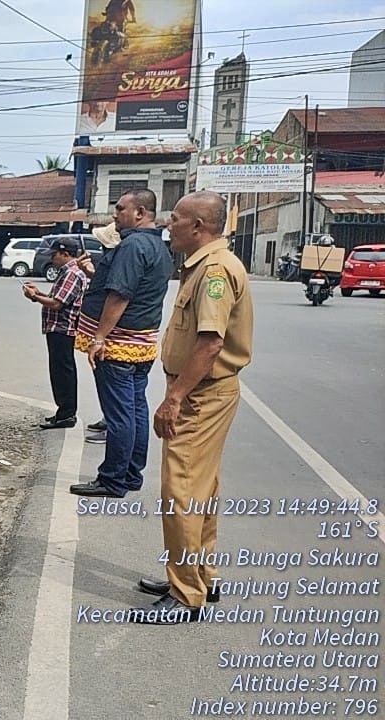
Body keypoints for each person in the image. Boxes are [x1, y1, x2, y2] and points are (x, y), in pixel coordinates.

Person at [132, 191, 252, 624]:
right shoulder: (204, 266)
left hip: (201, 394)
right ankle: (200, 574)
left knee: (180, 490)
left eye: (177, 218)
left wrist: (175, 397)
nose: (169, 224)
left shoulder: (215, 271)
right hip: (207, 390)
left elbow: (210, 342)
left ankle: (186, 595)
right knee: (201, 489)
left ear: (198, 227)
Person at [70, 189, 172, 498]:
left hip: (119, 344)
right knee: (136, 408)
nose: (115, 215)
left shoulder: (133, 246)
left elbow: (120, 294)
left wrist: (98, 338)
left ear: (140, 213)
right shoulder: (158, 247)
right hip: (142, 343)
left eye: (121, 209)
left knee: (119, 415)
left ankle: (112, 478)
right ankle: (130, 474)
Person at [22, 237, 88, 429]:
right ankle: (63, 412)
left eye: (54, 255)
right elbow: (55, 298)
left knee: (63, 371)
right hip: (58, 328)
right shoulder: (68, 272)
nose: (52, 259)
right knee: (59, 371)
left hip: (63, 328)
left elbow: (58, 304)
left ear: (65, 254)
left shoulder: (72, 274)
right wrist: (38, 295)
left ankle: (67, 413)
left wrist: (36, 297)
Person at [78, 222, 122, 443]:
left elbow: (115, 297)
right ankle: (108, 421)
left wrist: (99, 337)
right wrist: (90, 273)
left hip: (109, 339)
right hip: (100, 334)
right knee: (107, 390)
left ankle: (112, 430)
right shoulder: (109, 263)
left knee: (115, 394)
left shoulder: (119, 262)